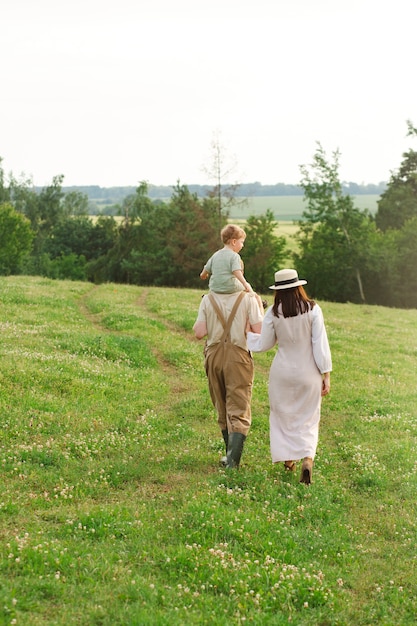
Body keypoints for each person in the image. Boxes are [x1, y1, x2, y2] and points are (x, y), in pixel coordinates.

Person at [247, 269, 332, 484]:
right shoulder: (313, 309)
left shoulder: (274, 312)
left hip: (282, 373)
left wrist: (247, 333)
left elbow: (264, 344)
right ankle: (308, 458)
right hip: (308, 372)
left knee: (282, 416)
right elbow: (320, 345)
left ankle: (288, 461)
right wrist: (326, 374)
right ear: (298, 287)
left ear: (278, 290)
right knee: (309, 417)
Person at [193, 288, 264, 468]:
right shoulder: (249, 299)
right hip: (239, 355)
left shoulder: (208, 299)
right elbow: (260, 331)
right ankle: (233, 461)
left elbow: (199, 332)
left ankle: (228, 455)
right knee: (239, 406)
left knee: (221, 404)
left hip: (214, 355)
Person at [200, 224, 253, 294]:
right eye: (242, 242)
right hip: (231, 287)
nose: (242, 246)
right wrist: (245, 283)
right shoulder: (235, 256)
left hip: (215, 288)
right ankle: (260, 303)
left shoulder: (215, 255)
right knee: (252, 293)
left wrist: (203, 275)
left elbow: (205, 270)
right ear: (234, 242)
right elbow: (236, 272)